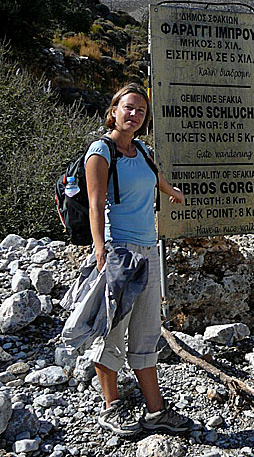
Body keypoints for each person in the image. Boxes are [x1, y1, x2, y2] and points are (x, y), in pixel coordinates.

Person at [85, 83, 194, 437]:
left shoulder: (142, 150)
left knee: (146, 333)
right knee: (113, 331)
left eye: (141, 111)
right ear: (114, 110)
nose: (134, 114)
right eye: (128, 107)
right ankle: (112, 407)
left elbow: (155, 177)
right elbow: (95, 203)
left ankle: (156, 411)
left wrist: (173, 191)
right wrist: (100, 246)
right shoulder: (101, 152)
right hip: (120, 252)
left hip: (149, 250)